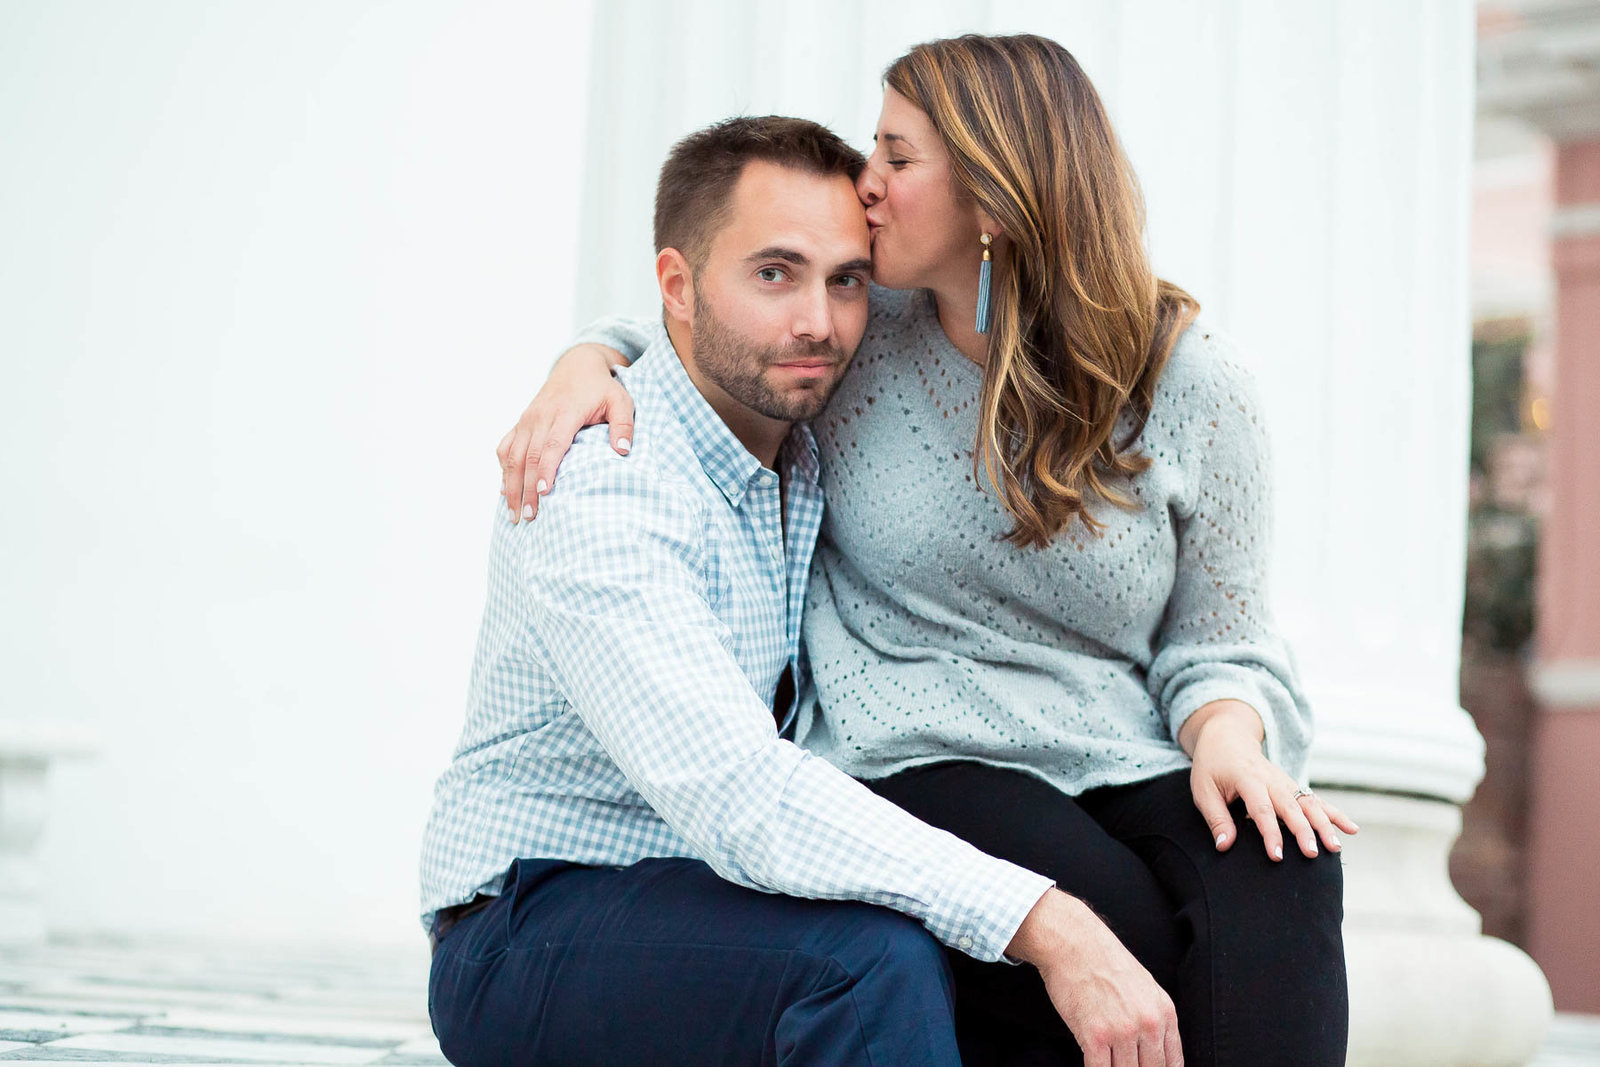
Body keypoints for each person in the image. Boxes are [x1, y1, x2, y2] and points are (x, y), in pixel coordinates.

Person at [497, 33, 1358, 1067]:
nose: (865, 184)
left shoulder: (1192, 381)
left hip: (1123, 746)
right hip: (911, 745)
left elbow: (1221, 635)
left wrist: (1228, 732)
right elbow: (714, 322)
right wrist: (584, 359)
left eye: (896, 158)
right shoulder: (859, 332)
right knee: (1120, 918)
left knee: (1281, 862)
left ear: (995, 195)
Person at [423, 114, 1186, 1067]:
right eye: (774, 274)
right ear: (678, 285)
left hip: (722, 902)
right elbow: (739, 793)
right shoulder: (602, 481)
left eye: (847, 280)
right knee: (870, 964)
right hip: (532, 921)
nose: (819, 322)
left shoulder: (815, 444)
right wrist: (1043, 917)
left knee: (961, 961)